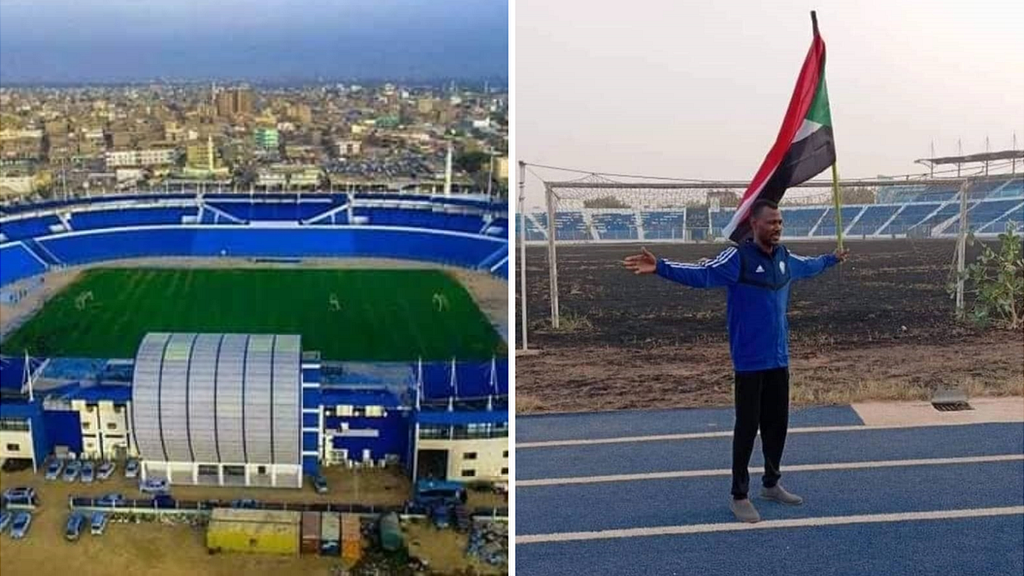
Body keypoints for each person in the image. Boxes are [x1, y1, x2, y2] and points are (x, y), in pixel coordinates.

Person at [623, 198, 849, 523]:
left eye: (780, 222)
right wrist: (661, 267)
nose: (777, 228)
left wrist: (831, 259)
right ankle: (739, 495)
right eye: (771, 222)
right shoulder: (737, 258)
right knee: (747, 427)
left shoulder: (784, 258)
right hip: (749, 360)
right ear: (754, 224)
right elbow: (702, 275)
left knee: (777, 424)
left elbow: (808, 265)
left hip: (778, 358)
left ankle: (772, 483)